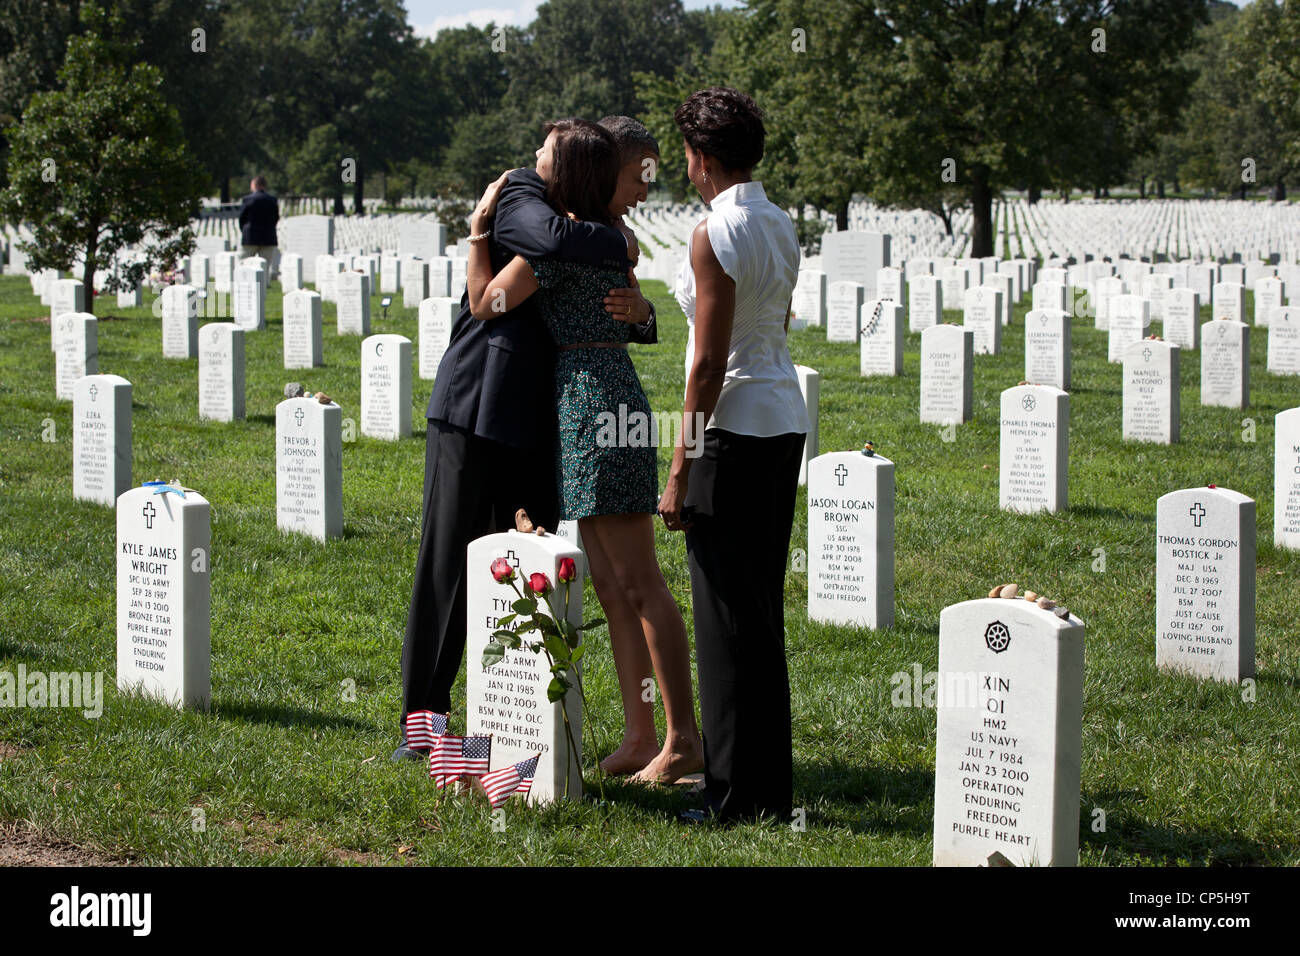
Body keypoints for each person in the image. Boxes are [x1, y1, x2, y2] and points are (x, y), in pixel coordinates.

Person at [394, 119, 660, 761]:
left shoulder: (592, 230)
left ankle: (514, 718)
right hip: (479, 399)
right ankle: (424, 716)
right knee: (449, 561)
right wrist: (485, 233)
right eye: (636, 178)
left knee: (531, 560)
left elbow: (627, 314)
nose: (533, 155)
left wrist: (638, 300)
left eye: (545, 148)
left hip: (551, 415)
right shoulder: (520, 192)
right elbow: (503, 283)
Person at [467, 118, 703, 784]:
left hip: (592, 405)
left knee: (638, 581)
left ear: (566, 175)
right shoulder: (607, 239)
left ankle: (682, 739)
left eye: (546, 158)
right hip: (596, 398)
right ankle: (638, 736)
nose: (534, 167)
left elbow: (486, 303)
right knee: (608, 581)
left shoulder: (557, 249)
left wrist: (479, 234)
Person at [658, 87, 807, 821]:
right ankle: (766, 790)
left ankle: (730, 796)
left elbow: (709, 364)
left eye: (687, 155)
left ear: (705, 159)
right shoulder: (781, 223)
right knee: (759, 610)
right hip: (782, 420)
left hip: (730, 427)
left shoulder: (713, 231)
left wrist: (681, 464)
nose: (686, 168)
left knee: (723, 621)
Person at [237, 176, 280, 275]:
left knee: (244, 265)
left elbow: (242, 219)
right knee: (264, 267)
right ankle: (262, 288)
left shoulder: (247, 199)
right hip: (268, 237)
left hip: (250, 237)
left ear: (254, 185)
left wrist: (245, 231)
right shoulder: (272, 200)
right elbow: (276, 218)